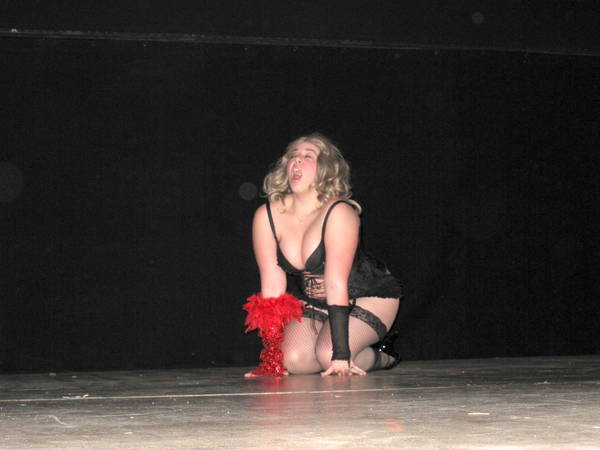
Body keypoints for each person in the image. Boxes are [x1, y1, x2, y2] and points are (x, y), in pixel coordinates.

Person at [243, 133, 402, 377]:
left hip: (366, 296)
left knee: (329, 355)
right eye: (293, 156)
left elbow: (336, 281)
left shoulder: (339, 211)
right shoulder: (267, 215)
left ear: (326, 168)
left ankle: (382, 356)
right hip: (317, 303)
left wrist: (340, 355)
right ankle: (337, 349)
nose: (297, 161)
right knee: (293, 361)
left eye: (308, 156)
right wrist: (271, 360)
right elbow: (272, 285)